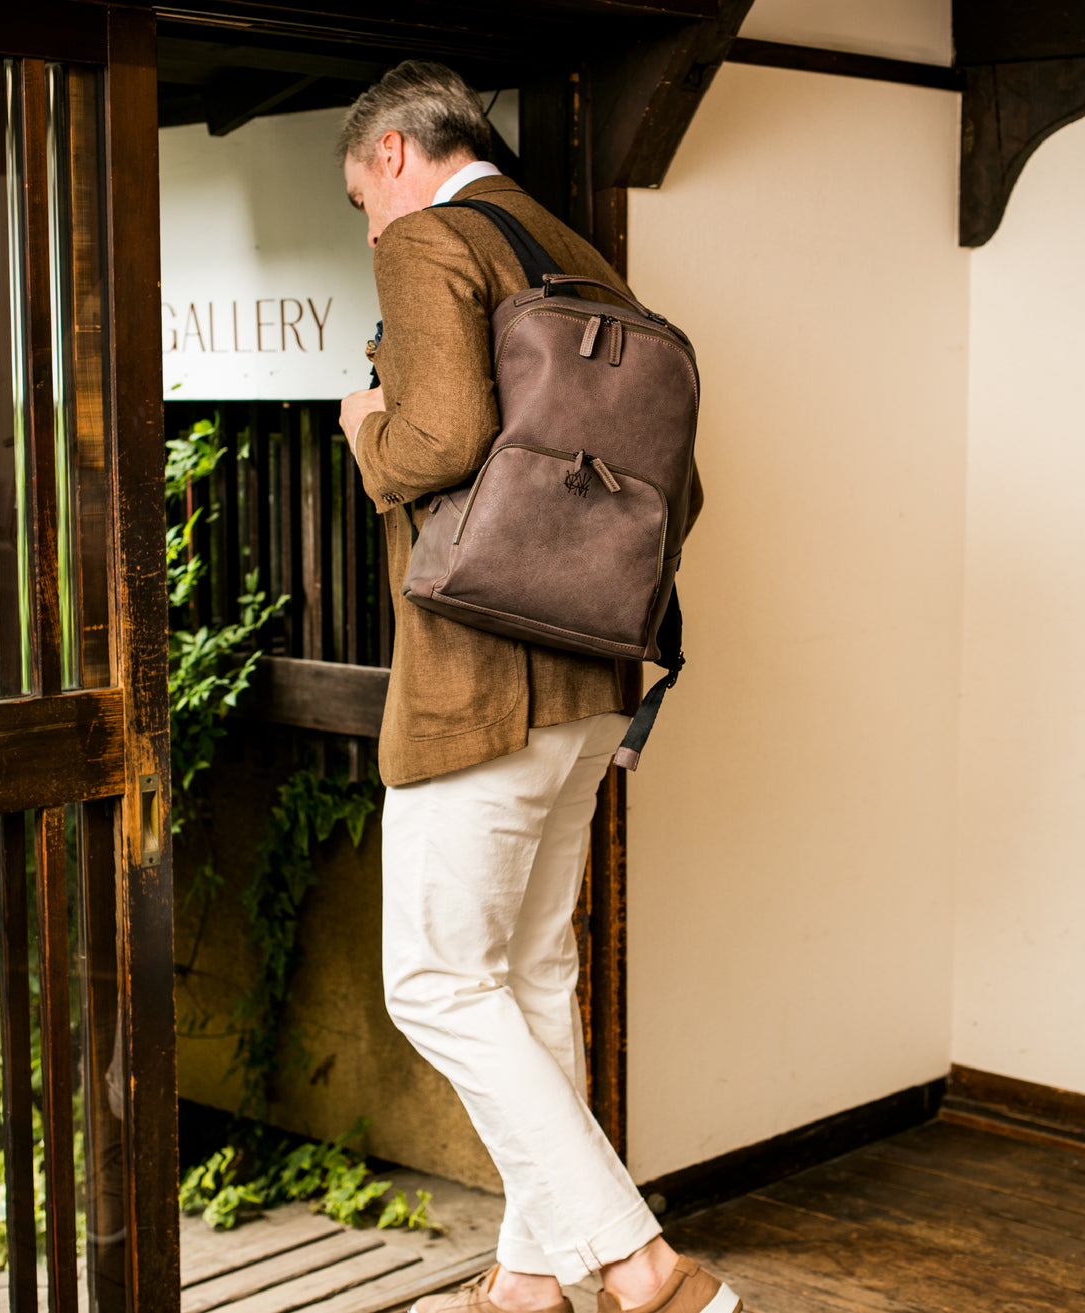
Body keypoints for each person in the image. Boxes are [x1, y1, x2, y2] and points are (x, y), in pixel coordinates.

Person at [337, 60, 738, 1313]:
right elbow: (678, 487)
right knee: (528, 971)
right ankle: (530, 1277)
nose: (370, 227)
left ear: (393, 153)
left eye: (360, 199)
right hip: (595, 674)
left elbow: (439, 436)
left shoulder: (432, 240)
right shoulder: (577, 254)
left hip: (478, 676)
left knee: (435, 980)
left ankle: (637, 1262)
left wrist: (362, 428)